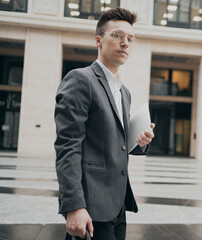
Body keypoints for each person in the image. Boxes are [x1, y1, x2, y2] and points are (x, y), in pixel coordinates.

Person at [54, 7, 155, 240]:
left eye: (130, 38)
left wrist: (140, 142)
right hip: (90, 206)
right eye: (118, 35)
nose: (125, 43)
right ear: (98, 40)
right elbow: (67, 146)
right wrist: (74, 206)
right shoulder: (81, 80)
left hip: (117, 204)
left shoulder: (124, 91)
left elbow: (116, 142)